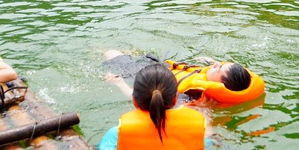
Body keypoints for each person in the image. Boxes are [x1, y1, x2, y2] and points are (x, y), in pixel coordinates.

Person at [99, 64, 206, 150]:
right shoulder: (196, 129)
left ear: (134, 100)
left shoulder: (115, 135)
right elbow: (206, 143)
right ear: (175, 99)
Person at [102, 51, 265, 106]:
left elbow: (147, 100)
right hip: (161, 66)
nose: (215, 64)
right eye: (219, 64)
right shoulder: (209, 76)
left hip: (142, 74)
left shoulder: (192, 97)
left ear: (220, 85)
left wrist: (119, 83)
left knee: (109, 53)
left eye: (218, 69)